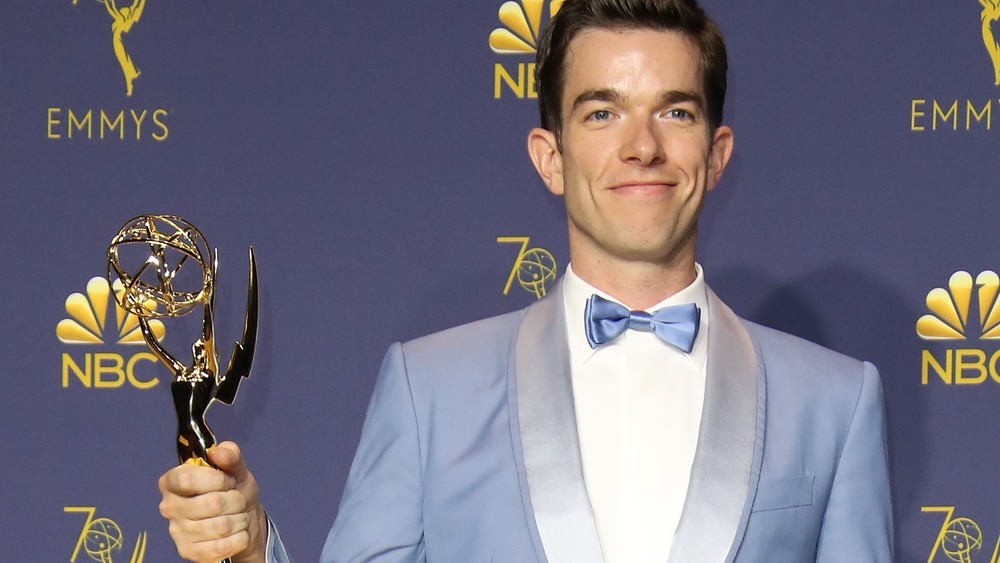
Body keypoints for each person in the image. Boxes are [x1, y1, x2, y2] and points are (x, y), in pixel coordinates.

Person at [157, 0, 894, 561]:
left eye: (674, 110)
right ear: (550, 155)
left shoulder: (834, 403)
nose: (642, 145)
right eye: (603, 111)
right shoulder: (429, 390)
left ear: (717, 150)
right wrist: (248, 547)